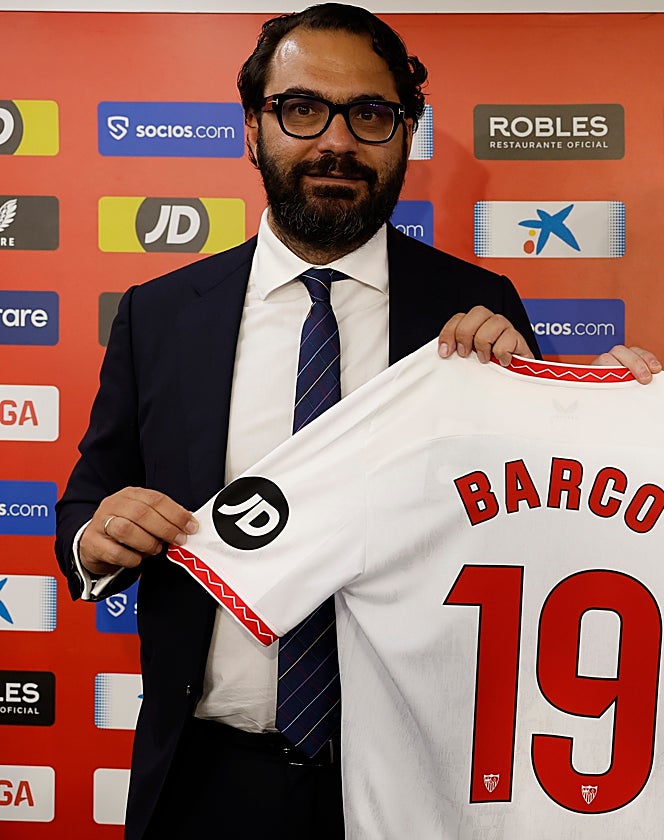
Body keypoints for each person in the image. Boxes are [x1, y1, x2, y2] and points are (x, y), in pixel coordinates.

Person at [53, 5, 538, 839]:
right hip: (209, 780)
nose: (337, 142)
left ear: (406, 133)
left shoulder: (479, 310)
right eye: (302, 109)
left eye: (371, 115)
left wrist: (580, 401)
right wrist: (93, 539)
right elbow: (86, 502)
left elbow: (542, 529)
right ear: (253, 126)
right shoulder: (161, 315)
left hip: (419, 780)